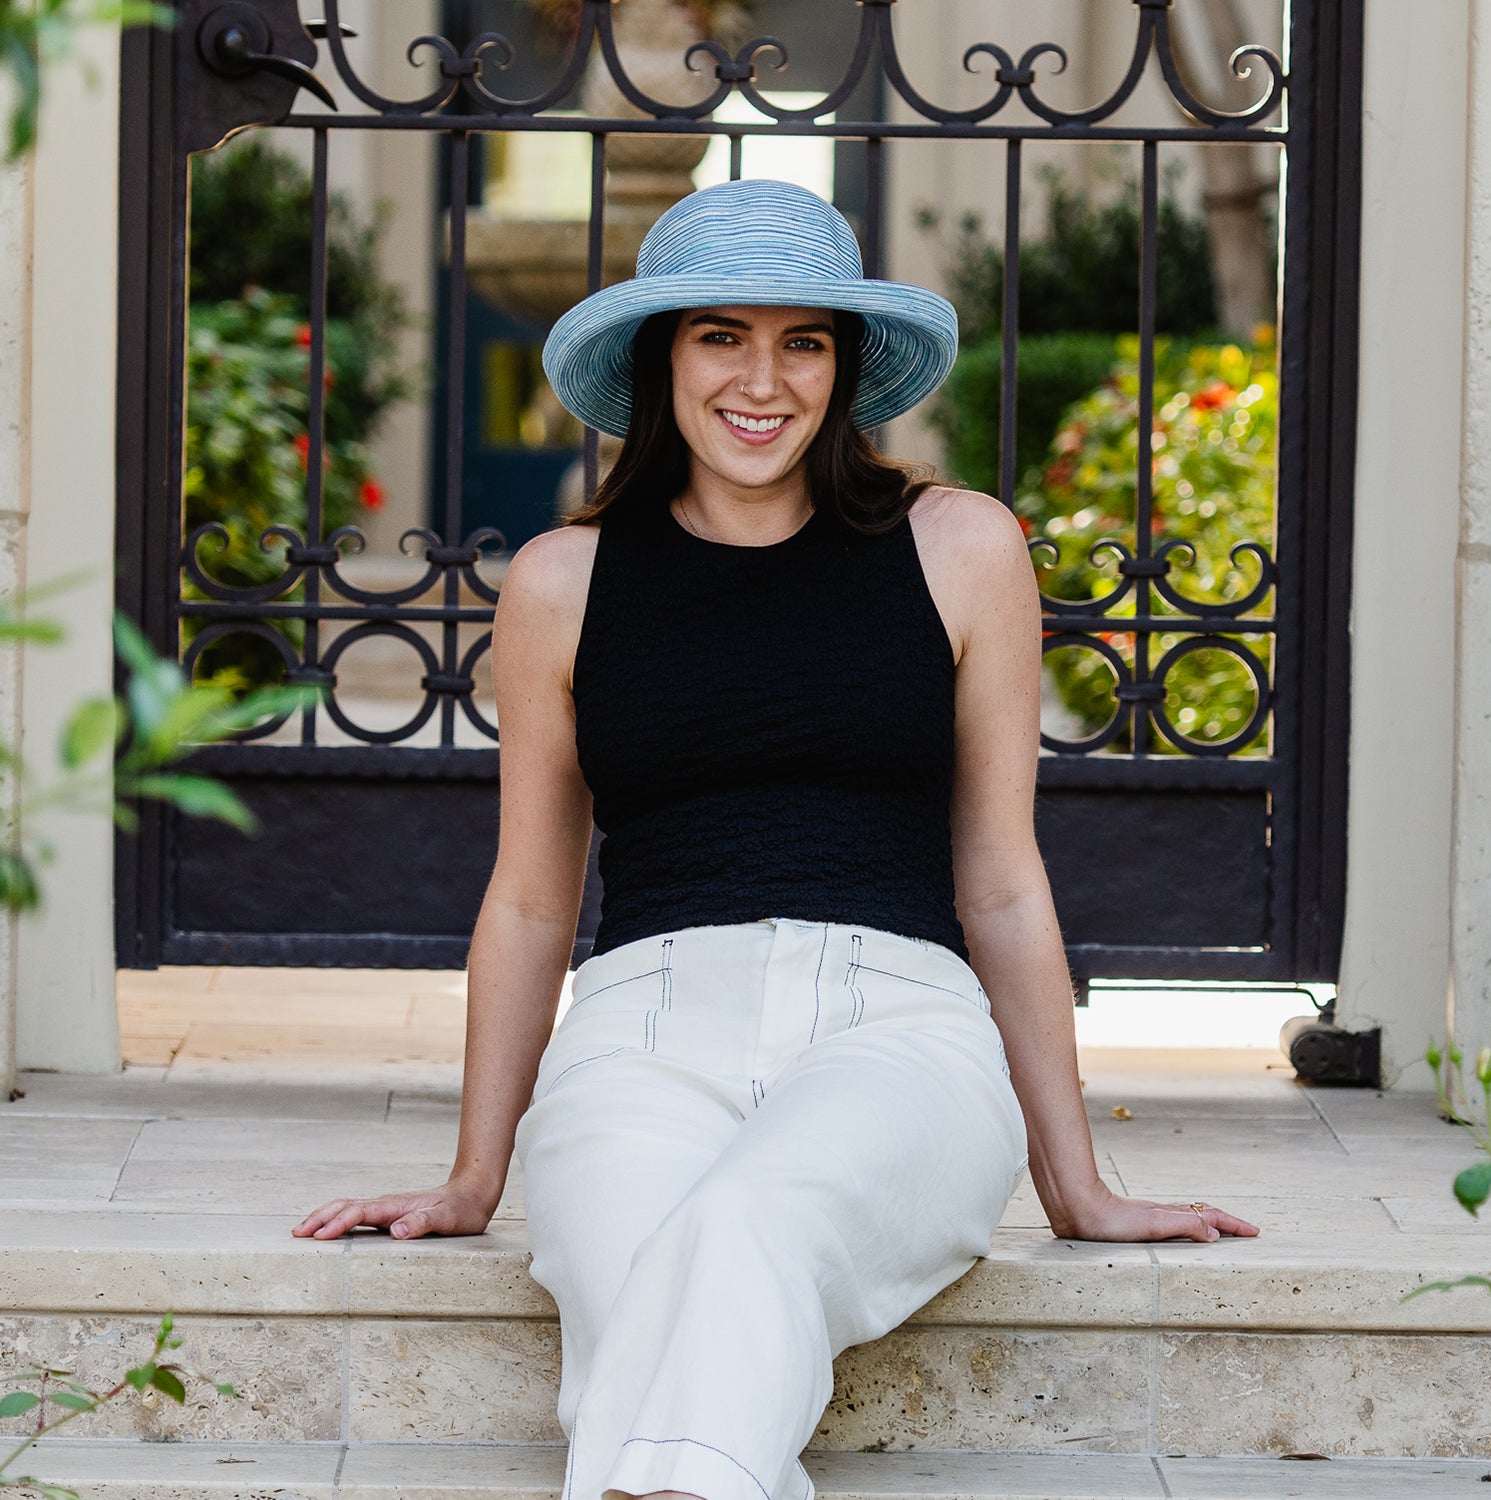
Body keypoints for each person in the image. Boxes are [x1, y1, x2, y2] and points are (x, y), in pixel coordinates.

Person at [294, 177, 1258, 1500]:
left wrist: (1075, 1181)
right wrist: (474, 1175)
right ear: (659, 360)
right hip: (640, 1030)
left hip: (899, 1027)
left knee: (744, 1225)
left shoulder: (961, 547)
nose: (766, 378)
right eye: (720, 336)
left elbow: (1003, 887)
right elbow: (528, 899)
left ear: (847, 368)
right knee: (647, 1263)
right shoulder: (562, 583)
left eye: (804, 340)